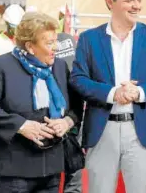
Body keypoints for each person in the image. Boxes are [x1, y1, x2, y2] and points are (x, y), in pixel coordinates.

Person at [70, 0, 146, 193]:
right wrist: (113, 93)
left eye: (139, 0)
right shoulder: (89, 39)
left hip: (141, 132)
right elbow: (78, 80)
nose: (136, 6)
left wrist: (138, 92)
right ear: (110, 2)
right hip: (102, 130)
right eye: (130, 0)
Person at [0, 12, 84, 193]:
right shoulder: (0, 67)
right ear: (30, 46)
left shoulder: (59, 67)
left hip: (51, 169)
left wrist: (66, 122)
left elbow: (76, 105)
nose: (55, 47)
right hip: (13, 170)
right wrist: (22, 125)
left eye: (55, 41)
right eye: (49, 43)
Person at [55, 24, 81, 193]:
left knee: (74, 181)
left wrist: (69, 121)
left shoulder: (77, 68)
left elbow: (80, 103)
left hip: (73, 129)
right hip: (50, 130)